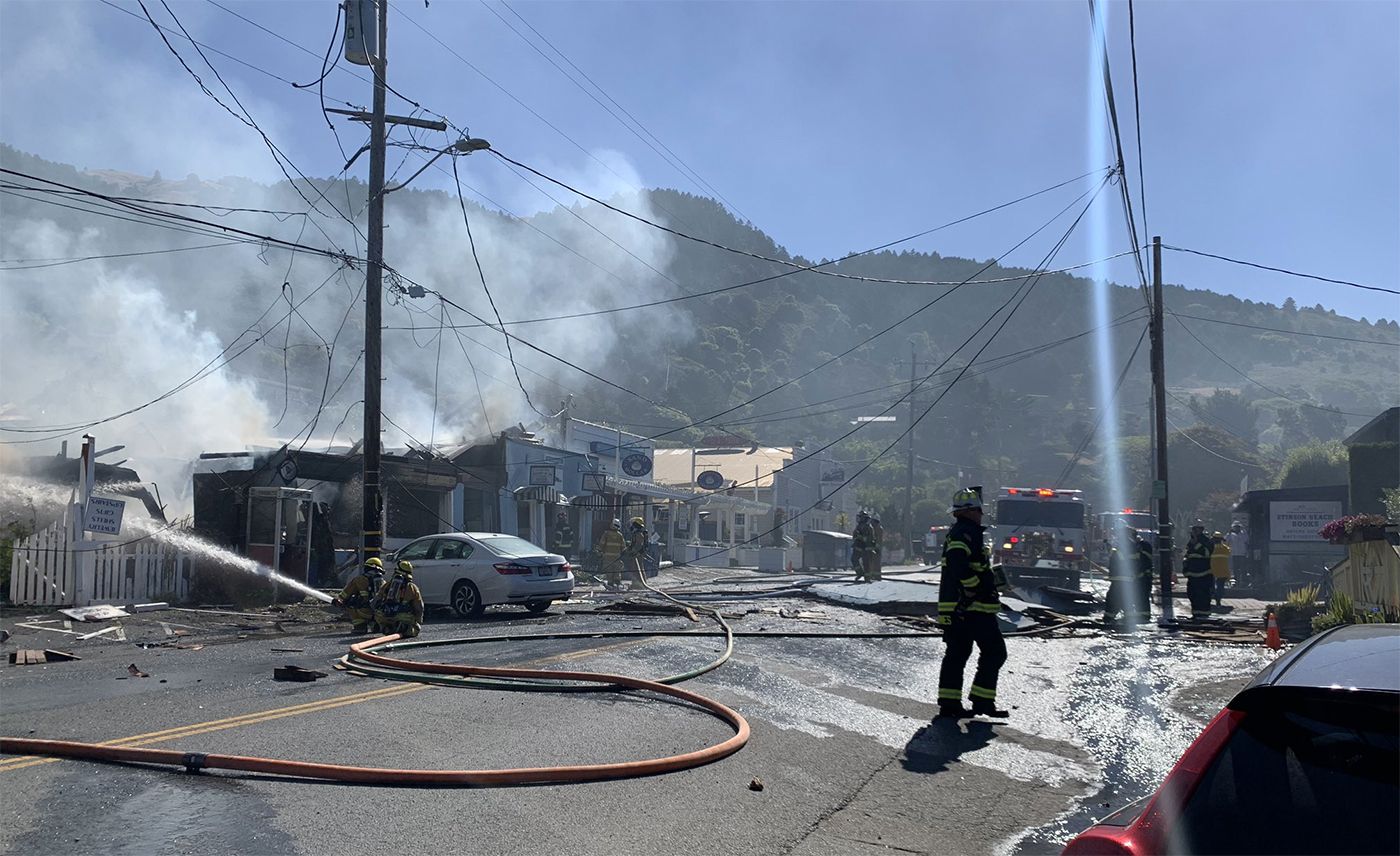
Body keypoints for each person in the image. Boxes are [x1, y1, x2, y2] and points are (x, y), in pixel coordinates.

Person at [936, 487, 1008, 719]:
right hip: (971, 608)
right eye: (979, 510)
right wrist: (975, 587)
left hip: (966, 608)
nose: (981, 515)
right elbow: (959, 565)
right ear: (970, 511)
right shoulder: (964, 533)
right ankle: (980, 701)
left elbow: (970, 564)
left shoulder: (963, 532)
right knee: (995, 652)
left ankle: (952, 703)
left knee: (958, 653)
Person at [1104, 525, 1152, 624]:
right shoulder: (1132, 546)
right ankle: (1128, 618)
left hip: (1121, 578)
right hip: (1129, 579)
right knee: (1126, 598)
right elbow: (1134, 562)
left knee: (1114, 598)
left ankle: (1110, 618)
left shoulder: (1126, 545)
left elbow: (1119, 561)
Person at [372, 559, 425, 638]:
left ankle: (386, 627)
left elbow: (375, 602)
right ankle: (404, 629)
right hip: (403, 617)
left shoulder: (387, 585)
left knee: (380, 615)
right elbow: (419, 607)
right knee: (415, 629)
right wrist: (418, 621)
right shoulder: (412, 587)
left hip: (384, 615)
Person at [332, 556, 384, 634]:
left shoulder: (359, 580)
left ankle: (360, 626)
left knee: (349, 603)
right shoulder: (383, 582)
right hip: (381, 614)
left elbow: (344, 595)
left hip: (365, 612)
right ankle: (376, 625)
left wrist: (339, 601)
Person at [1182, 521, 1215, 621]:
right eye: (1193, 529)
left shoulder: (1206, 541)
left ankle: (1204, 615)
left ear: (1201, 530)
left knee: (1203, 596)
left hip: (1204, 574)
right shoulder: (1191, 542)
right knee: (1192, 594)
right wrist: (1185, 568)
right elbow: (1188, 555)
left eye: (1196, 529)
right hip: (1192, 575)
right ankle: (1196, 614)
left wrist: (1196, 544)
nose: (1194, 531)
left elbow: (1207, 553)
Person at [595, 518, 627, 590]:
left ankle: (610, 585)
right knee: (617, 571)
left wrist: (599, 552)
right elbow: (623, 547)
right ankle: (617, 585)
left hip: (607, 557)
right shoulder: (620, 535)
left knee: (609, 571)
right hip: (617, 557)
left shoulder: (606, 534)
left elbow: (601, 544)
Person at [622, 516, 649, 590]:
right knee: (636, 568)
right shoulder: (637, 533)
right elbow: (632, 545)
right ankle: (637, 584)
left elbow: (638, 546)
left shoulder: (638, 534)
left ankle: (641, 585)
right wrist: (626, 550)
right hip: (636, 554)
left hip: (637, 555)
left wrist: (633, 553)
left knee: (638, 569)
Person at [851, 510, 877, 582]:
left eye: (861, 517)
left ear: (864, 518)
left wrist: (861, 537)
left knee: (866, 563)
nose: (859, 519)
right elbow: (855, 536)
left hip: (866, 548)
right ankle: (859, 573)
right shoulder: (859, 526)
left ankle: (867, 578)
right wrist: (856, 536)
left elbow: (869, 538)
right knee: (853, 559)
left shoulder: (869, 527)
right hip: (858, 547)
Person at [1210, 531, 1232, 608]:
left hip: (1212, 570)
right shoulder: (1226, 548)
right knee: (1220, 587)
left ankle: (1213, 597)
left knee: (1211, 586)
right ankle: (1218, 600)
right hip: (1223, 571)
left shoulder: (1210, 548)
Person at [869, 513, 885, 582]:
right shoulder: (877, 527)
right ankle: (874, 575)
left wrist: (876, 546)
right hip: (875, 547)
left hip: (876, 548)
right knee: (873, 562)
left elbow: (878, 539)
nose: (871, 523)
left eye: (872, 521)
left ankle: (877, 576)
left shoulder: (878, 528)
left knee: (876, 562)